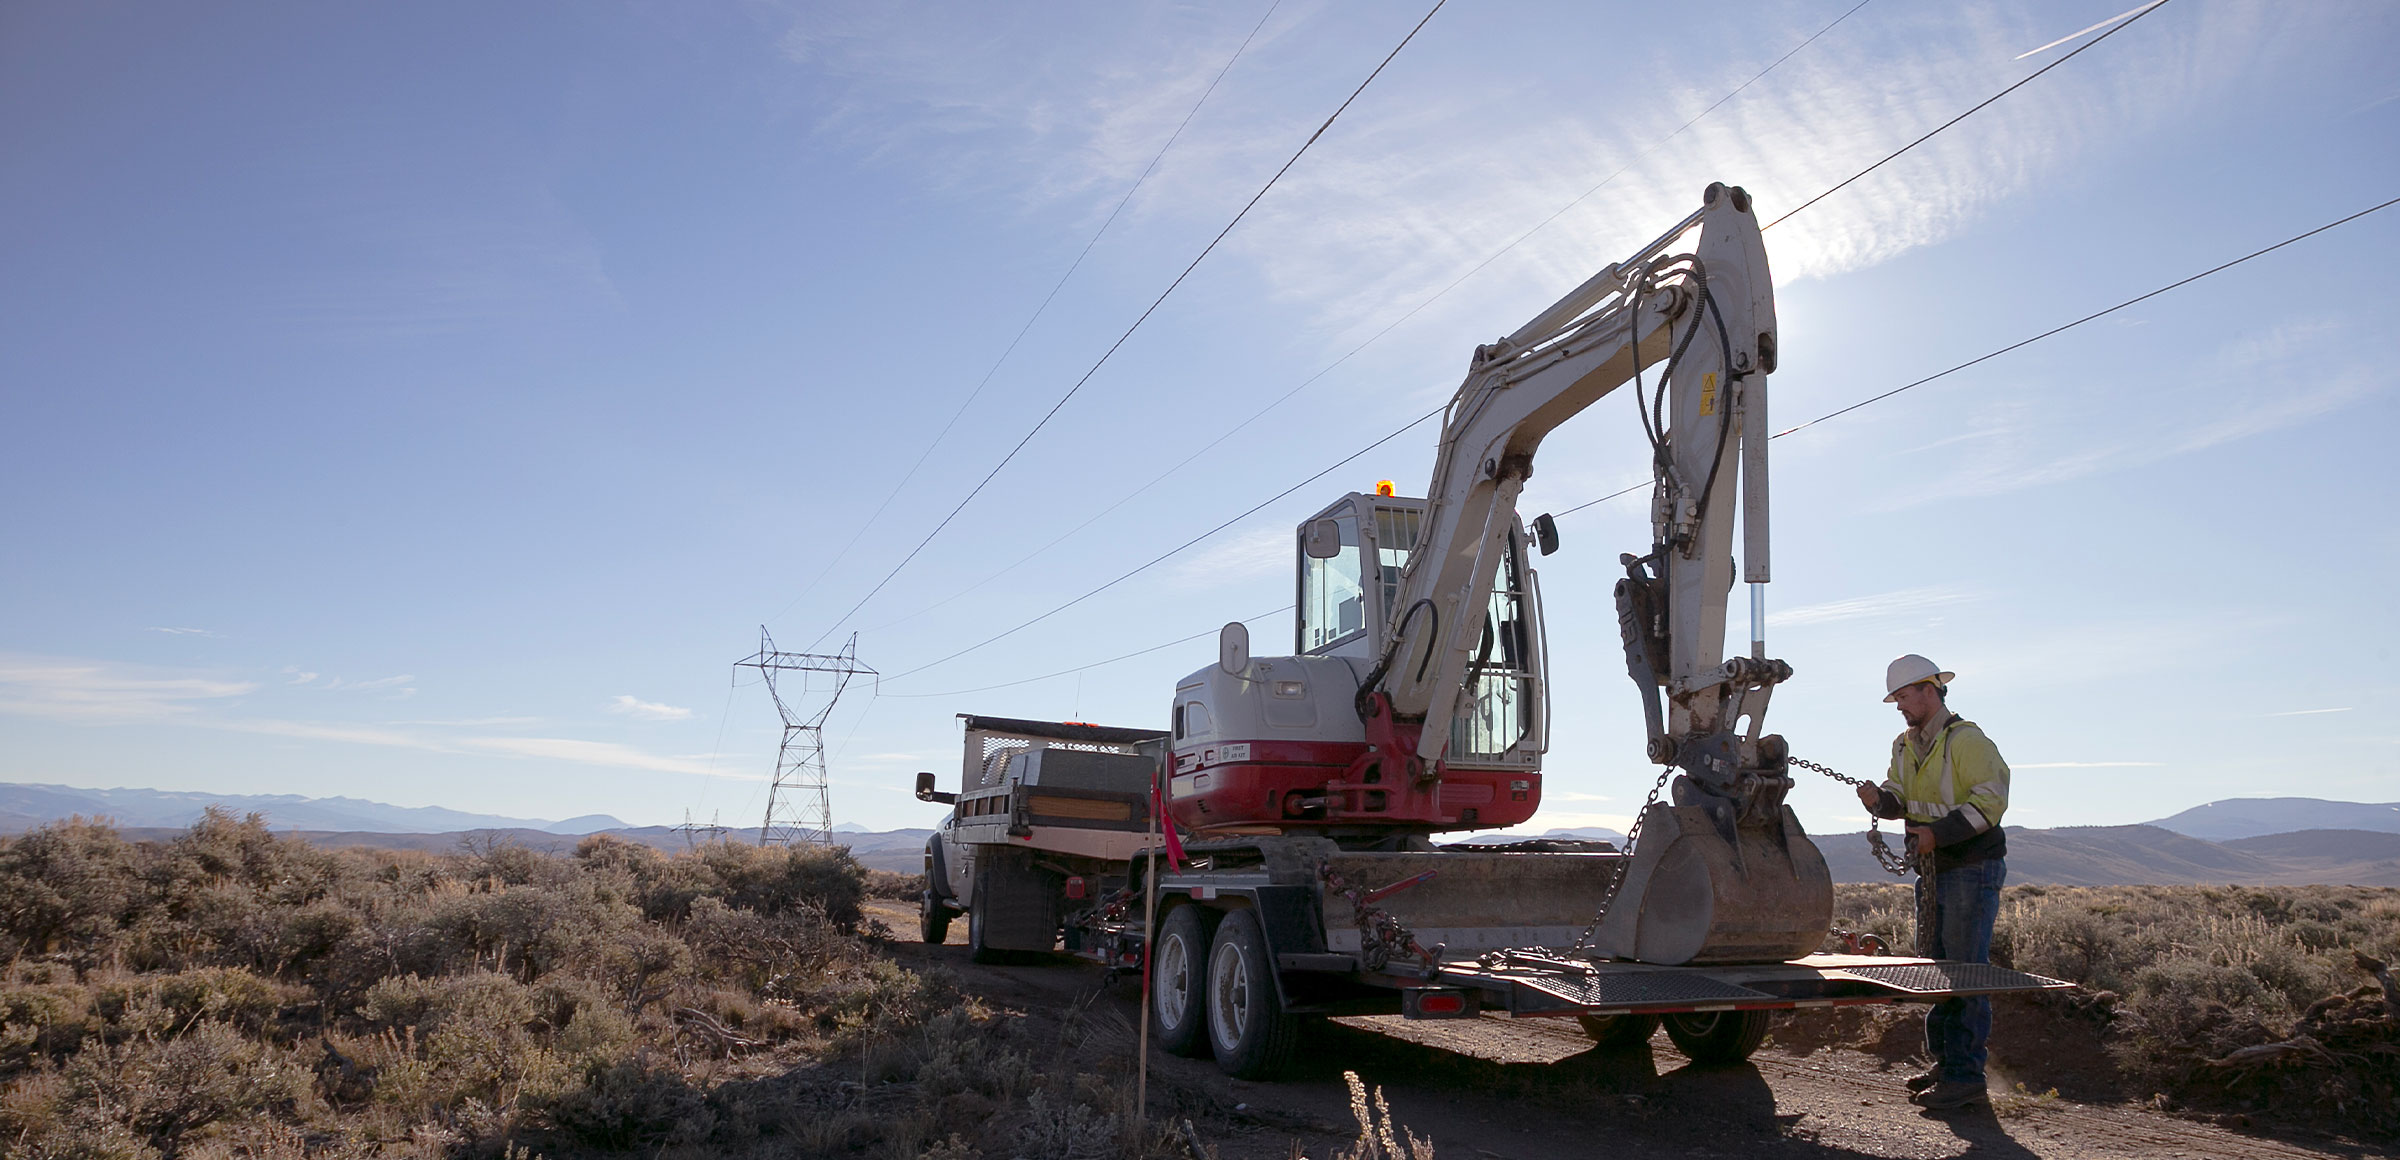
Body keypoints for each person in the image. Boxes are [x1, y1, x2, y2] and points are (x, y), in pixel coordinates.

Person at [1852, 653, 2010, 1112]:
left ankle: (1965, 1076)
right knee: (1939, 972)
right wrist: (1879, 800)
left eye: (1904, 696)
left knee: (1964, 970)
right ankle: (1947, 1065)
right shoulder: (1905, 745)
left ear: (1929, 690)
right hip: (1936, 871)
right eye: (1896, 698)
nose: (1900, 705)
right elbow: (1902, 798)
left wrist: (1937, 835)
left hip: (1970, 868)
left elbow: (1990, 801)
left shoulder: (1967, 740)